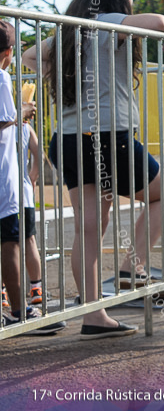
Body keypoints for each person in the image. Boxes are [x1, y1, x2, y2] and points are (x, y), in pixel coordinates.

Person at [23, 0, 164, 339]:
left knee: (89, 226)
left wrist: (57, 71)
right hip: (110, 135)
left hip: (69, 138)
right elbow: (158, 20)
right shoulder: (111, 22)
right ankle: (132, 265)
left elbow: (29, 55)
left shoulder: (67, 32)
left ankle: (93, 313)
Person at [0, 21, 65, 334]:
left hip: (12, 182)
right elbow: (5, 122)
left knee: (16, 240)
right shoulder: (1, 77)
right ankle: (18, 312)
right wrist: (21, 114)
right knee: (12, 242)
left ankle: (20, 302)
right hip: (5, 183)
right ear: (9, 53)